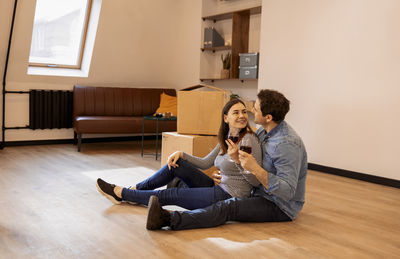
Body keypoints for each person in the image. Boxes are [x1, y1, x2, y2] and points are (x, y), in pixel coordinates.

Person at [146, 89, 308, 230]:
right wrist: (228, 173)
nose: (251, 111)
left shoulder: (287, 144)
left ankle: (169, 219)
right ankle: (174, 186)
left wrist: (254, 169)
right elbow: (241, 166)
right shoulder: (262, 132)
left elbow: (287, 192)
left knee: (228, 207)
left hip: (279, 206)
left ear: (268, 117)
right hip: (255, 192)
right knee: (211, 195)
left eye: (255, 109)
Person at [96, 98, 262, 210]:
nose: (242, 116)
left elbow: (254, 181)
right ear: (226, 118)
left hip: (228, 195)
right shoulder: (227, 139)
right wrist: (181, 153)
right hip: (216, 187)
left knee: (171, 194)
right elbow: (205, 163)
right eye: (236, 112)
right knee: (177, 164)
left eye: (244, 112)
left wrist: (237, 162)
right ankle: (136, 189)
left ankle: (122, 193)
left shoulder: (249, 140)